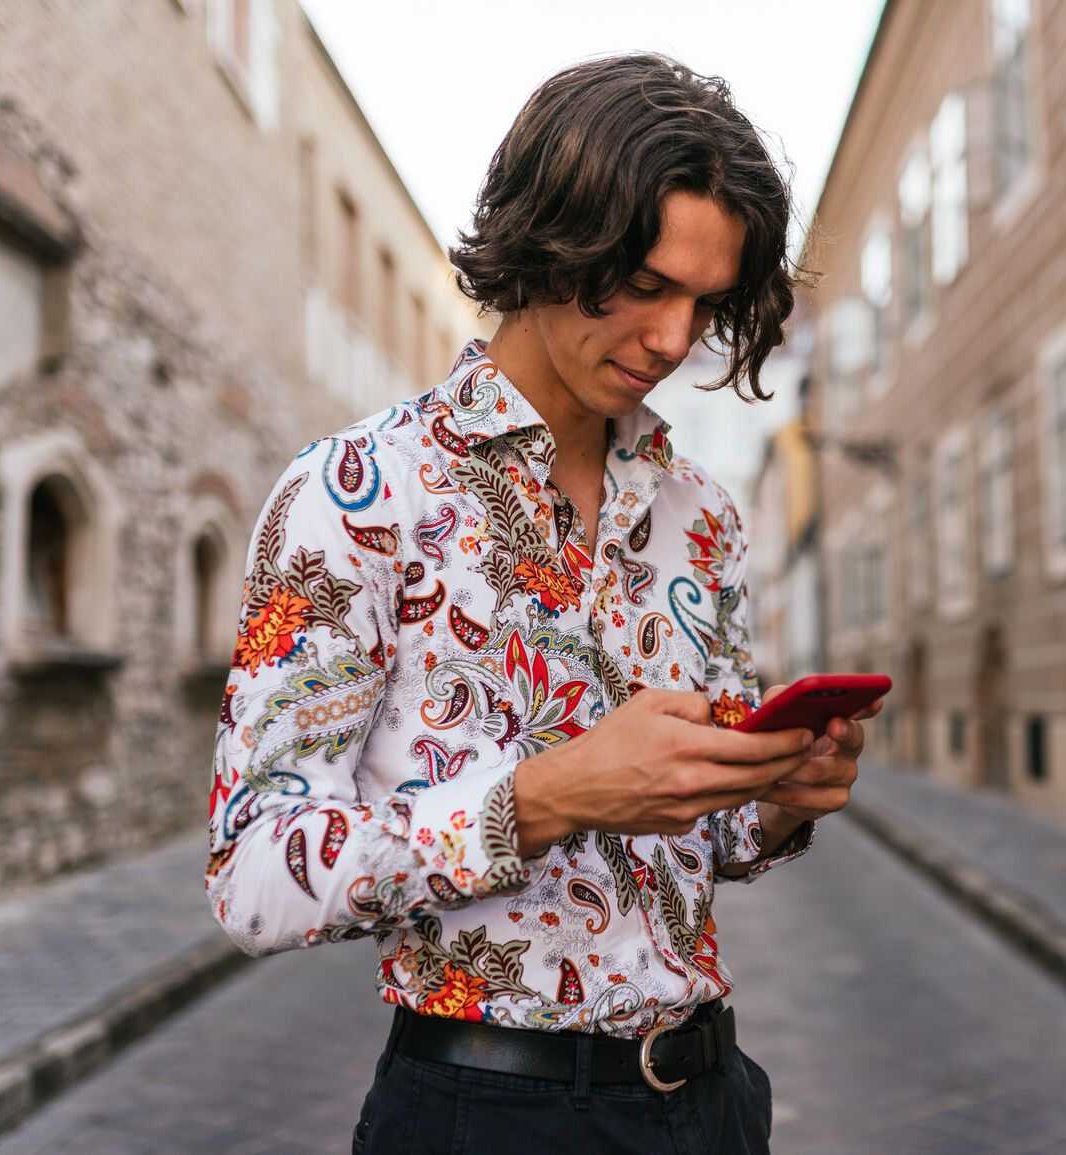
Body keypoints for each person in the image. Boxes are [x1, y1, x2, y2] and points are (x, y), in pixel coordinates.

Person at [205, 52, 877, 1154]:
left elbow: (711, 844)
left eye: (705, 302)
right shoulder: (358, 495)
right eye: (647, 285)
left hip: (712, 1100)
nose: (672, 340)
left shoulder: (697, 512)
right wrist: (544, 798)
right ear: (548, 241)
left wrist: (781, 790)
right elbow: (255, 878)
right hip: (485, 1113)